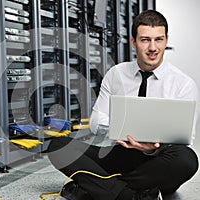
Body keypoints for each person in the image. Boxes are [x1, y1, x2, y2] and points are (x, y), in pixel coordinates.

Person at [47, 10, 199, 200]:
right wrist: (127, 131)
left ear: (166, 40)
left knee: (187, 159)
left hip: (159, 162)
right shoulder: (116, 74)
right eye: (145, 40)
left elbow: (185, 137)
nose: (153, 47)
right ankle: (131, 195)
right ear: (133, 41)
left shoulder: (183, 83)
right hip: (122, 152)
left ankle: (97, 189)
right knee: (59, 145)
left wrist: (151, 147)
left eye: (158, 39)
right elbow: (96, 123)